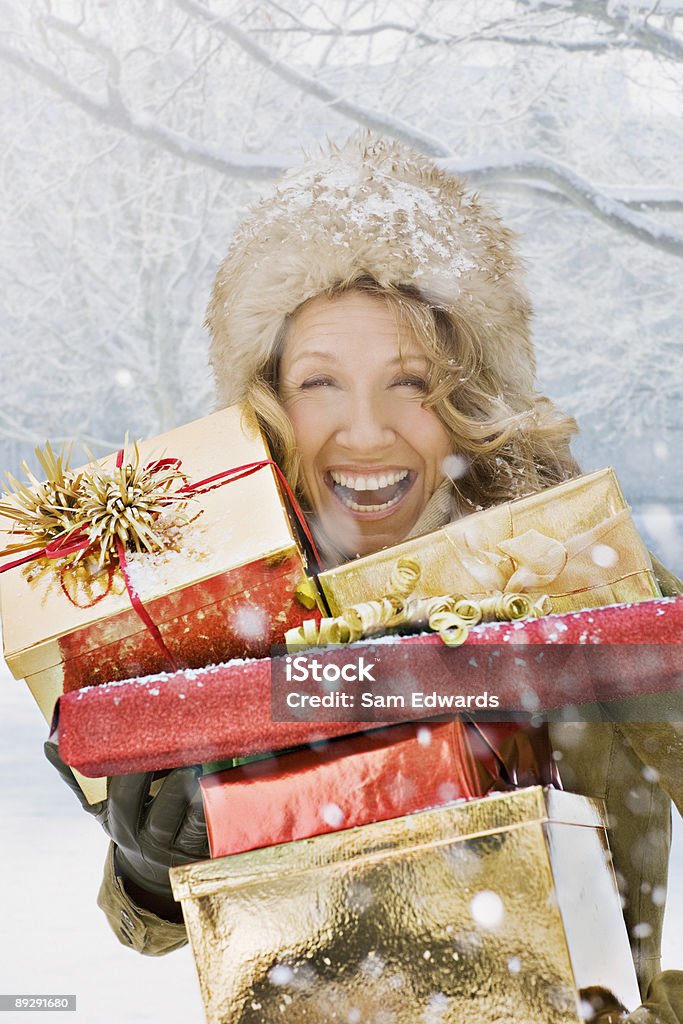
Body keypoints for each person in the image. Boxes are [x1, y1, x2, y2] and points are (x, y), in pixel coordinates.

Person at [47, 135, 682, 1021]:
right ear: (266, 401)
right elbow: (163, 929)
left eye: (409, 382)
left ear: (468, 391)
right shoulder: (241, 602)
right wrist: (151, 877)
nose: (366, 431)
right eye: (319, 383)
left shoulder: (580, 564)